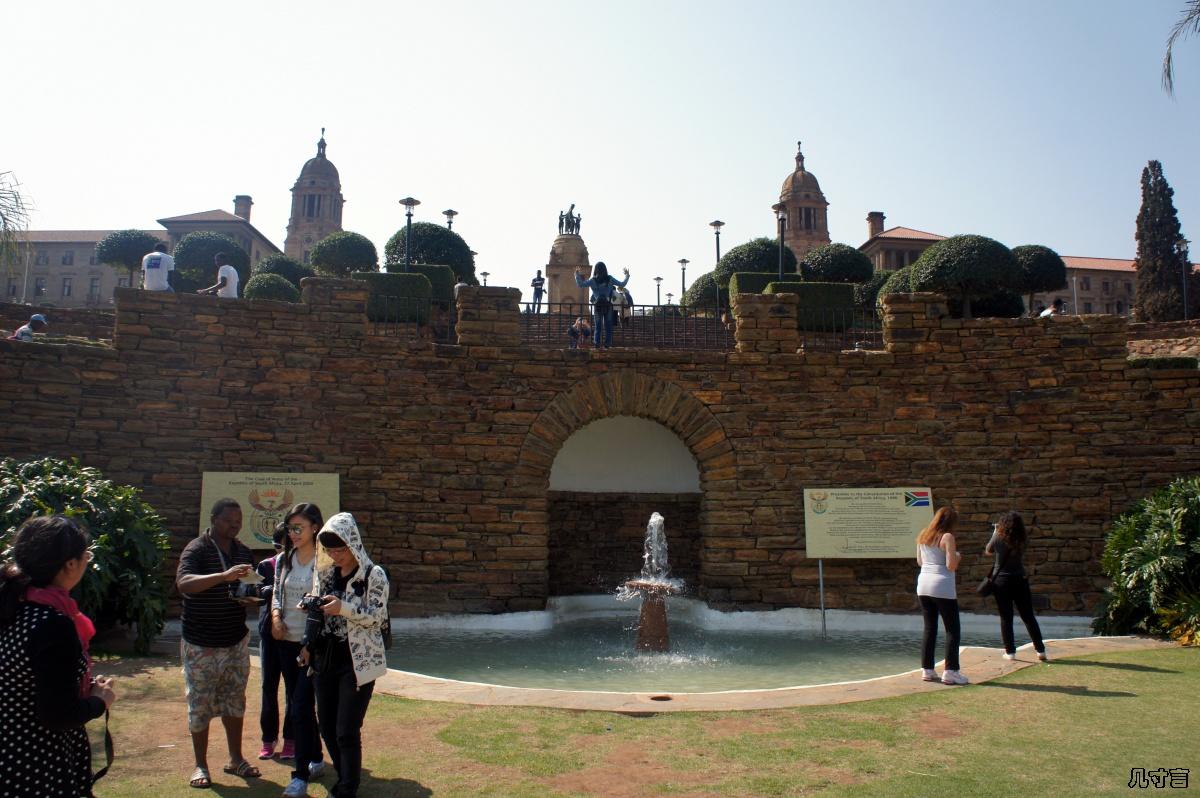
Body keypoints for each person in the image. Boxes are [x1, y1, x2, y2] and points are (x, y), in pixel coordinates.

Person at [0, 515, 117, 797]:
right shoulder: (53, 624)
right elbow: (59, 715)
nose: (87, 562)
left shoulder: (13, 605)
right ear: (70, 564)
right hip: (34, 762)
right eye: (86, 555)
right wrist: (99, 701)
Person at [298, 513, 389, 798]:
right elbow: (317, 613)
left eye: (341, 550)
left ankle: (348, 788)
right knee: (326, 725)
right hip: (326, 657)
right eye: (330, 551)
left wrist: (343, 608)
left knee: (346, 729)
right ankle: (345, 775)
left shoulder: (374, 574)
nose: (336, 556)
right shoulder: (326, 573)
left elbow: (377, 618)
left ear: (353, 544)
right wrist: (310, 611)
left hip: (358, 661)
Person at [175, 498, 260, 789]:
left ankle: (236, 759)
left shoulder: (242, 551)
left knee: (234, 700)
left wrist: (251, 596)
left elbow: (249, 589)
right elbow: (184, 583)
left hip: (234, 640)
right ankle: (200, 764)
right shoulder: (196, 549)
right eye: (228, 520)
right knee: (200, 703)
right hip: (202, 643)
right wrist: (223, 577)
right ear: (213, 519)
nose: (234, 525)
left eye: (238, 521)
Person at [273, 503, 328, 798]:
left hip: (311, 646)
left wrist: (310, 643)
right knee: (299, 705)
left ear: (314, 527)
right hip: (286, 641)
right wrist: (275, 617)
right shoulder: (285, 559)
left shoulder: (324, 561)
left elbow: (323, 604)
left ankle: (300, 777)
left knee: (300, 707)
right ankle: (316, 759)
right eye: (290, 528)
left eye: (299, 528)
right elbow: (277, 593)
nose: (293, 533)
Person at [986, 512, 1049, 662]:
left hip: (1001, 581)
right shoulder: (1023, 539)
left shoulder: (998, 537)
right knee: (1028, 616)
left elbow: (988, 550)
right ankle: (1040, 650)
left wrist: (994, 532)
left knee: (1006, 617)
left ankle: (1010, 652)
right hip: (1019, 579)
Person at [915, 506, 968, 685]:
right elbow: (951, 565)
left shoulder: (923, 535)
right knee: (952, 629)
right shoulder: (947, 537)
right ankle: (951, 671)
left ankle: (927, 669)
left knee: (929, 628)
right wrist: (958, 556)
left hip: (923, 585)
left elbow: (920, 561)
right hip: (942, 585)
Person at [256, 524, 293, 762]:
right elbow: (256, 591)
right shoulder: (266, 566)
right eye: (280, 546)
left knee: (293, 690)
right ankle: (268, 739)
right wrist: (267, 590)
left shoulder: (301, 567)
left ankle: (291, 739)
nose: (283, 551)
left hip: (292, 635)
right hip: (269, 633)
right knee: (268, 687)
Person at [574, 262, 630, 348]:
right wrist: (627, 275)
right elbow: (622, 284)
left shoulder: (593, 280)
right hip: (608, 305)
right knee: (608, 326)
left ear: (596, 270)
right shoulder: (610, 279)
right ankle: (607, 344)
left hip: (598, 306)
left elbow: (580, 284)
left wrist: (577, 274)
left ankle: (597, 344)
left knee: (598, 326)